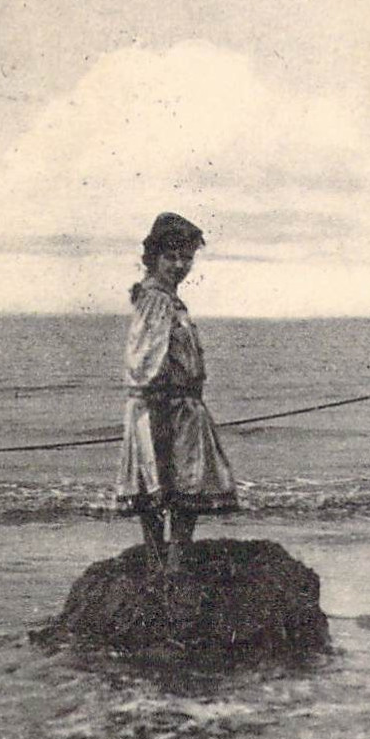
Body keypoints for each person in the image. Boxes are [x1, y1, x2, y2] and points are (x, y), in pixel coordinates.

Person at [115, 212, 239, 574]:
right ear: (153, 257)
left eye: (186, 257)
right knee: (160, 484)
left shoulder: (168, 299)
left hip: (181, 404)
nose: (180, 265)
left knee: (187, 485)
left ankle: (172, 560)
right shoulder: (156, 299)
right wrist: (161, 404)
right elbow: (144, 362)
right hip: (163, 404)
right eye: (171, 257)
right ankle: (165, 561)